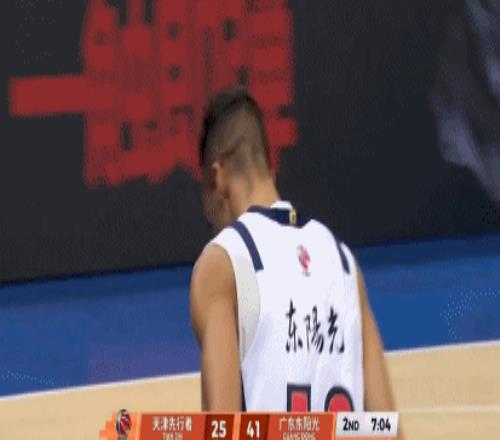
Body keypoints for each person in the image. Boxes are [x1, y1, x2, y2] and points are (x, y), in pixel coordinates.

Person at [190, 87, 397, 416]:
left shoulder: (223, 264)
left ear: (218, 179)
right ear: (270, 169)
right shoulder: (343, 263)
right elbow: (387, 430)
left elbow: (222, 427)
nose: (209, 217)